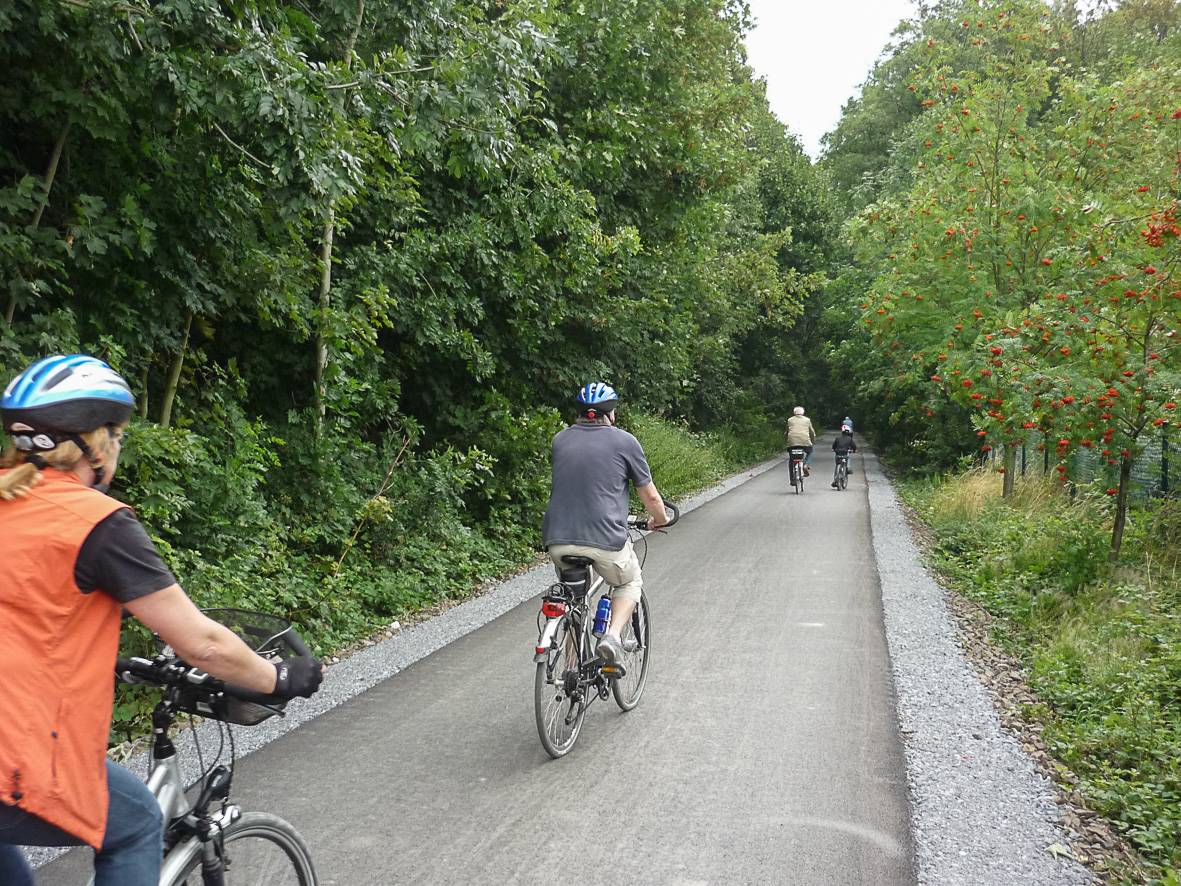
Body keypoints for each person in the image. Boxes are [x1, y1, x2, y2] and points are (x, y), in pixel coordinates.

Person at [0, 355, 325, 886]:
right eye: (118, 435)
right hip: (14, 762)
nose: (119, 446)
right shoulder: (95, 523)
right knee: (135, 823)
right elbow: (203, 644)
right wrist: (280, 678)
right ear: (92, 444)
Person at [542, 382, 669, 663]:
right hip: (606, 542)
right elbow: (650, 496)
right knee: (629, 582)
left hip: (558, 540)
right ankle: (611, 637)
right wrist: (659, 520)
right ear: (611, 413)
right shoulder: (624, 441)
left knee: (574, 602)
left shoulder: (560, 439)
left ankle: (571, 674)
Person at [785, 405, 816, 476]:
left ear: (794, 412)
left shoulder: (790, 420)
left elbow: (787, 431)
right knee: (810, 452)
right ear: (803, 412)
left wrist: (787, 440)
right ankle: (805, 464)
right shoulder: (807, 420)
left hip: (792, 442)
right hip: (805, 442)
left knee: (791, 460)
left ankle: (792, 479)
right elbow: (812, 433)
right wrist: (813, 441)